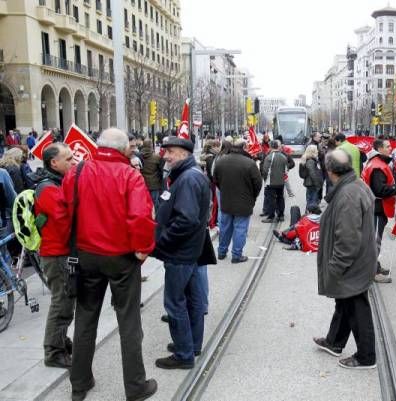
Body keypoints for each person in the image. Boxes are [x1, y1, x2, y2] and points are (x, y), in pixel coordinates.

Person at [62, 128, 157, 401]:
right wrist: (142, 250)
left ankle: (79, 384)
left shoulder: (77, 172)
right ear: (124, 149)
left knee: (85, 318)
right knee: (128, 321)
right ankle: (135, 386)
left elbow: (67, 207)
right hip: (121, 257)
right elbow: (140, 217)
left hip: (86, 254)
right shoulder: (130, 175)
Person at [313, 149, 377, 369]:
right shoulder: (355, 186)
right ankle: (334, 342)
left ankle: (366, 356)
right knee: (345, 302)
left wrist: (336, 266)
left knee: (356, 306)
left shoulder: (348, 194)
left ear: (330, 171)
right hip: (359, 260)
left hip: (352, 264)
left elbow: (348, 239)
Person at [153, 134, 214, 369]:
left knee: (175, 303)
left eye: (170, 152)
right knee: (194, 299)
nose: (165, 156)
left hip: (181, 252)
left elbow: (186, 220)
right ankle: (192, 345)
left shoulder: (188, 178)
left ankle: (183, 354)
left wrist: (163, 242)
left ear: (184, 154)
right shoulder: (190, 175)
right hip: (191, 250)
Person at [34, 143, 76, 368]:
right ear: (54, 163)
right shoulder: (48, 188)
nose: (73, 161)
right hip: (56, 254)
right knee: (62, 303)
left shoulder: (57, 183)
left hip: (59, 252)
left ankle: (60, 340)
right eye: (68, 159)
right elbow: (64, 221)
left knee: (65, 302)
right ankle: (53, 351)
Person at [213, 138, 262, 263]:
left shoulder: (221, 161)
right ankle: (236, 255)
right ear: (244, 147)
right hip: (244, 202)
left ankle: (221, 252)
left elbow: (216, 179)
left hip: (226, 200)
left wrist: (223, 190)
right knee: (240, 229)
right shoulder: (249, 163)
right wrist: (253, 196)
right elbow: (258, 183)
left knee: (225, 227)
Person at [361, 139, 396, 283]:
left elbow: (388, 180)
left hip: (375, 208)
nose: (391, 148)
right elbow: (380, 189)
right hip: (377, 209)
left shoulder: (375, 162)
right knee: (374, 241)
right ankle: (373, 273)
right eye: (387, 146)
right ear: (379, 148)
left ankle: (375, 266)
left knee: (373, 239)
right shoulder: (378, 166)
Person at [261, 140, 289, 223]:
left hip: (271, 182)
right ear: (278, 146)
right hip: (281, 182)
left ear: (271, 147)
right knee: (280, 198)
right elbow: (286, 169)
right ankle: (281, 215)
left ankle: (271, 216)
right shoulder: (283, 156)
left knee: (271, 199)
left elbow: (265, 170)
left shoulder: (269, 157)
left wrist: (265, 179)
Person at [298, 144, 324, 211]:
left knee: (310, 199)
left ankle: (308, 213)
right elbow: (312, 174)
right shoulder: (310, 161)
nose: (317, 151)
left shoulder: (309, 160)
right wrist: (318, 184)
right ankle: (311, 214)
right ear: (312, 152)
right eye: (316, 150)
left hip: (310, 183)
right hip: (312, 183)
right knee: (313, 200)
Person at [139, 139, 163, 209]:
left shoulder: (139, 156)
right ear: (151, 146)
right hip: (154, 184)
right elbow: (161, 171)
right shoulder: (157, 157)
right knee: (155, 203)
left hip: (143, 183)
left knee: (144, 203)